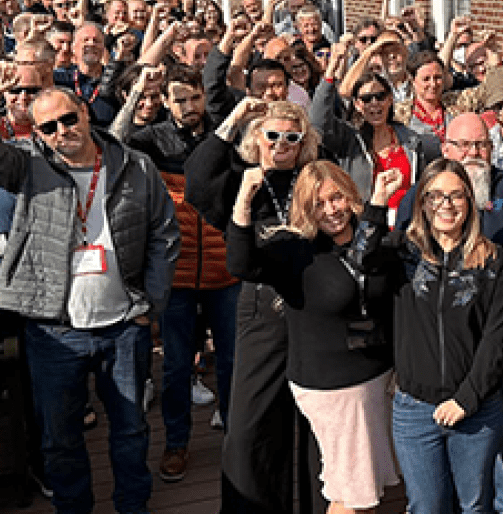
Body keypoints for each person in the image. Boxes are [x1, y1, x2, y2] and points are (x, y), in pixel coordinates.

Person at [0, 62, 180, 514]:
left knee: (131, 429)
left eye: (68, 118)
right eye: (49, 126)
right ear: (37, 132)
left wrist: (152, 303)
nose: (62, 130)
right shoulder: (27, 165)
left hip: (124, 325)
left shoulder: (134, 164)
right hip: (54, 330)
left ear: (84, 112)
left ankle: (132, 505)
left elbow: (164, 233)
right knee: (60, 439)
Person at [227, 160, 400, 514]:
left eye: (336, 198)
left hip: (378, 379)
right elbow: (241, 264)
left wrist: (378, 204)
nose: (331, 210)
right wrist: (244, 200)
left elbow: (364, 259)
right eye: (318, 204)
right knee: (349, 493)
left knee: (366, 486)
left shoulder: (374, 238)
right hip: (334, 389)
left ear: (351, 196)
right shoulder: (294, 251)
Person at [184, 98, 324, 513]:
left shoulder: (315, 178)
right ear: (257, 140)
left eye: (291, 137)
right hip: (261, 312)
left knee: (316, 428)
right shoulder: (239, 183)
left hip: (312, 312)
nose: (282, 144)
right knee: (248, 429)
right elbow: (196, 181)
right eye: (272, 135)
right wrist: (235, 118)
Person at [360, 159, 503, 514]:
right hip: (415, 408)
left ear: (470, 201)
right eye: (435, 195)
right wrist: (378, 201)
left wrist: (466, 399)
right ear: (422, 202)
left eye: (456, 195)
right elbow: (362, 259)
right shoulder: (403, 252)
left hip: (476, 407)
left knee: (475, 505)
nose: (446, 204)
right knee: (426, 507)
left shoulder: (491, 260)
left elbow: (496, 336)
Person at [119, 64, 239, 484]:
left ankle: (237, 439)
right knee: (174, 366)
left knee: (231, 359)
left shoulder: (222, 133)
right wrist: (139, 91)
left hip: (225, 270)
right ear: (166, 102)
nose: (190, 107)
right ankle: (176, 441)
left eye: (195, 98)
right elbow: (115, 142)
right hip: (177, 273)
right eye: (180, 100)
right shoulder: (151, 141)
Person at [313, 62, 439, 223]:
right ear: (357, 105)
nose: (374, 103)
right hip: (366, 225)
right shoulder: (349, 139)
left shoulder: (412, 141)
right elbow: (317, 122)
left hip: (408, 227)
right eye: (366, 99)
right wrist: (330, 74)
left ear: (390, 99)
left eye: (380, 96)